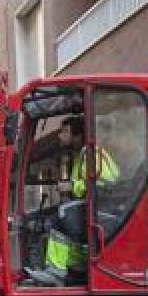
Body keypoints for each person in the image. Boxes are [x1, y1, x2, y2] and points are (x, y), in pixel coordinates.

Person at [32, 117, 119, 285]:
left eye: (64, 132)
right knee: (67, 217)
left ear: (77, 134)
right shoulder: (84, 154)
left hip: (103, 208)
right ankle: (78, 267)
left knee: (62, 215)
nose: (60, 136)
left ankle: (56, 272)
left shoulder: (90, 153)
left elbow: (102, 184)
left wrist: (71, 186)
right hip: (97, 206)